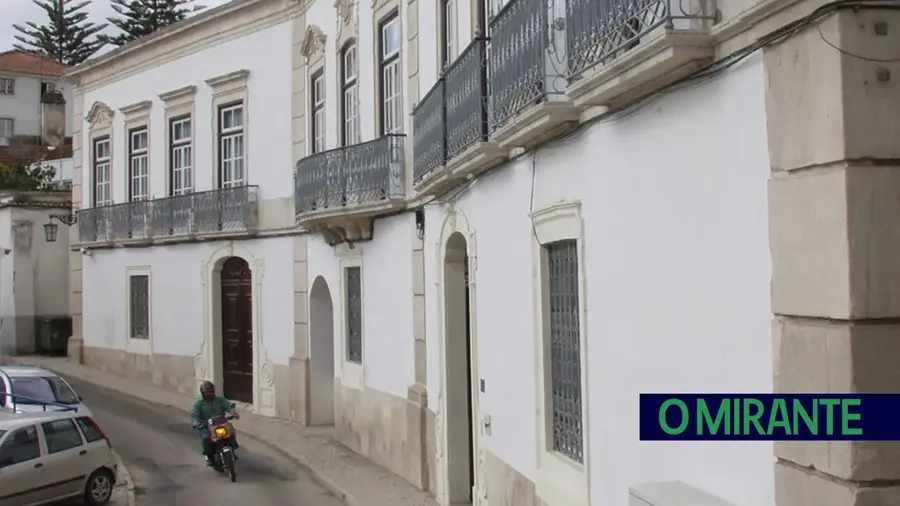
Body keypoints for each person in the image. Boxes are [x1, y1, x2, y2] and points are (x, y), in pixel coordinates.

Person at [190, 381, 240, 466]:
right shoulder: (199, 404)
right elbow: (194, 415)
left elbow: (228, 406)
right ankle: (209, 455)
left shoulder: (220, 399)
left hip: (221, 423)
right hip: (206, 425)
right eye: (206, 392)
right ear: (202, 393)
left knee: (230, 431)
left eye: (210, 391)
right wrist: (195, 422)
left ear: (213, 391)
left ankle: (232, 450)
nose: (208, 394)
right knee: (206, 437)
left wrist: (233, 412)